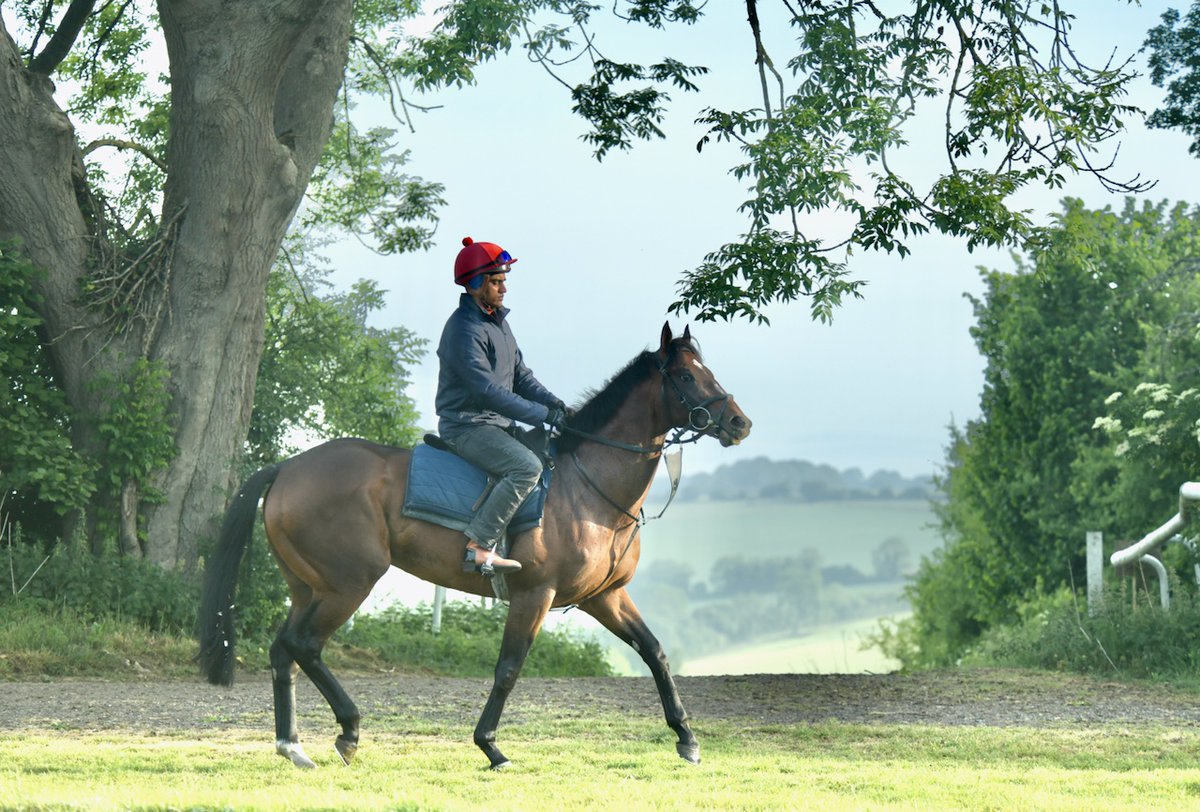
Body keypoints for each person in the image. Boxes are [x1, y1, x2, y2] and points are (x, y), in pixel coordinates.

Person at [434, 237, 568, 576]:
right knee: (526, 467)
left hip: (493, 424)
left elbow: (521, 376)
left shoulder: (498, 324)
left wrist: (554, 404)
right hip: (466, 425)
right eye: (496, 281)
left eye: (504, 280)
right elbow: (488, 392)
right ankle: (479, 545)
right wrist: (541, 415)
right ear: (476, 284)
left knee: (550, 455)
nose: (504, 287)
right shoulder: (464, 329)